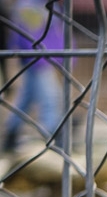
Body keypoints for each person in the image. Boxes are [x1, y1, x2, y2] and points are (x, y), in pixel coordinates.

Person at [2, 0, 64, 153]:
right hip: (39, 60)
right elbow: (29, 36)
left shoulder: (48, 6)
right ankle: (53, 139)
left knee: (26, 99)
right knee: (50, 98)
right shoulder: (28, 7)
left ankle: (11, 135)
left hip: (44, 58)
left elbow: (56, 33)